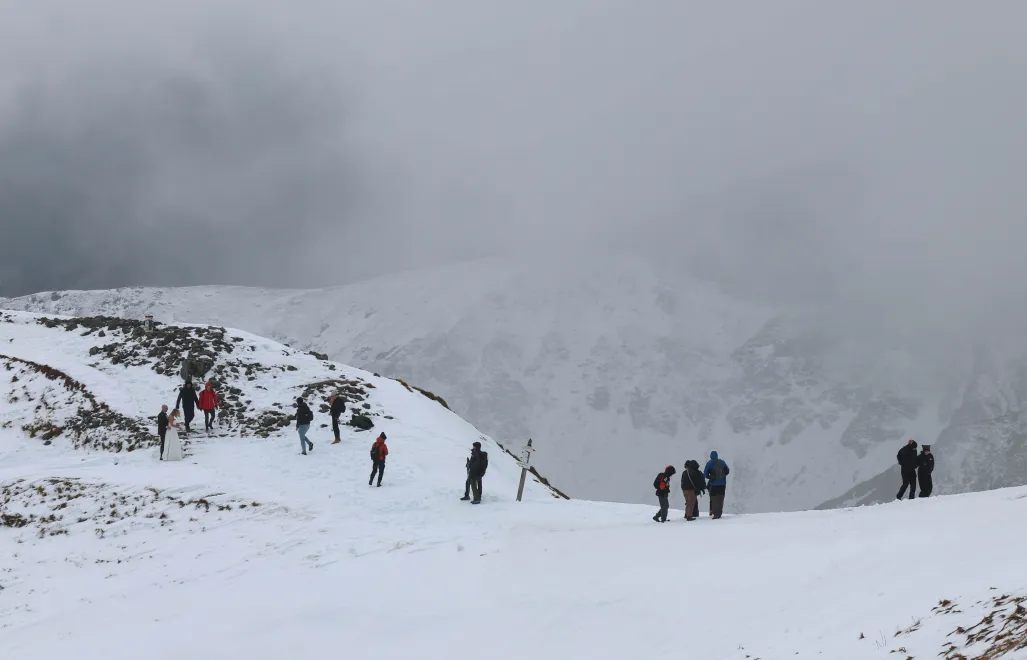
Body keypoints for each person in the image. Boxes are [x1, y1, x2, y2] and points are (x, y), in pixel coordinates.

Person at [703, 451, 730, 519]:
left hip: (714, 484)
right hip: (722, 484)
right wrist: (722, 477)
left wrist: (711, 477)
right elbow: (727, 471)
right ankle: (719, 513)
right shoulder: (722, 462)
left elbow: (705, 474)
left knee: (714, 499)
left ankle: (715, 514)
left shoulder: (709, 463)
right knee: (721, 498)